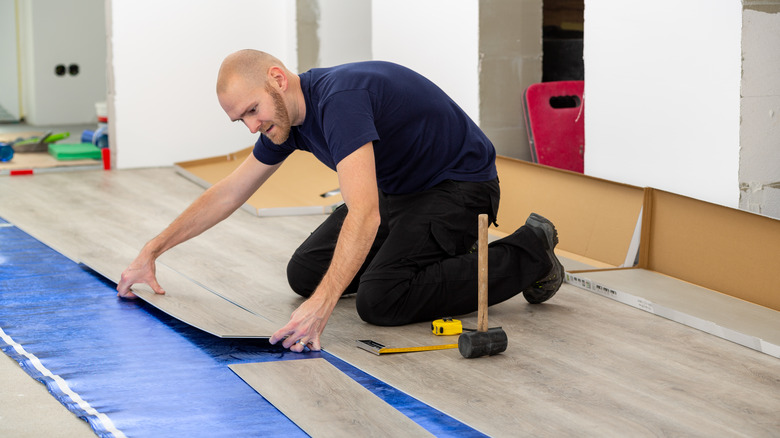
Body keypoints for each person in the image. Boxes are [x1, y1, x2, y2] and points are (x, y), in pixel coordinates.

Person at [117, 49, 564, 353]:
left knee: (380, 301)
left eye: (252, 110)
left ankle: (531, 252)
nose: (252, 126)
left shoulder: (340, 101)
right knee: (305, 273)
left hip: (461, 187)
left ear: (278, 78)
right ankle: (436, 256)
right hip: (402, 191)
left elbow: (365, 213)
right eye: (241, 120)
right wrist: (151, 250)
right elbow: (230, 191)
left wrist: (324, 305)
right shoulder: (286, 122)